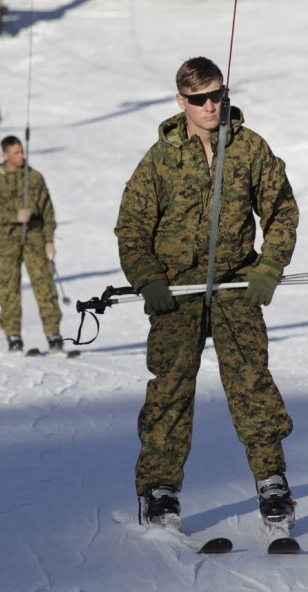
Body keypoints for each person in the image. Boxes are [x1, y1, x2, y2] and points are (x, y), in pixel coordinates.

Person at [114, 57, 299, 529]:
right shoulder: (160, 160)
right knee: (171, 389)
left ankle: (271, 481)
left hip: (237, 282)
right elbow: (132, 229)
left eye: (218, 94)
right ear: (182, 101)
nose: (211, 105)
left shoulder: (249, 149)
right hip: (178, 288)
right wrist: (149, 279)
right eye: (199, 99)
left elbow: (281, 210)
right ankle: (160, 489)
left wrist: (270, 264)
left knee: (251, 381)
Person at [0, 135, 63, 352]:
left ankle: (53, 334)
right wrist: (14, 215)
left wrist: (49, 240)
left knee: (44, 284)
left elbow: (48, 210)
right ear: (5, 155)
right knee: (9, 288)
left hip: (34, 238)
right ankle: (13, 336)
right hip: (7, 240)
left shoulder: (34, 178)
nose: (21, 156)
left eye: (22, 152)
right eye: (15, 153)